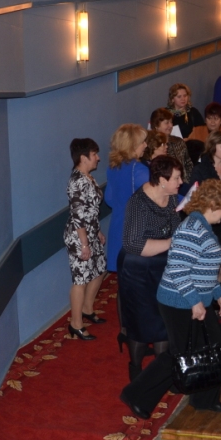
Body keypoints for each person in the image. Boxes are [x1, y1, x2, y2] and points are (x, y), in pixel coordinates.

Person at [119, 180, 221, 418]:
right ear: (211, 206)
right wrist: (195, 302)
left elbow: (204, 269)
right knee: (178, 353)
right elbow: (179, 270)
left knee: (210, 345)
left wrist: (219, 294)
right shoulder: (192, 229)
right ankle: (135, 394)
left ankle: (204, 399)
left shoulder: (203, 226)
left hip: (195, 299)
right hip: (178, 301)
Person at [119, 156, 184, 379]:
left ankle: (161, 373)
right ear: (162, 180)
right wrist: (171, 243)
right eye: (177, 178)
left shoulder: (171, 197)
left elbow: (175, 226)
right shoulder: (138, 203)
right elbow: (133, 245)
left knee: (162, 322)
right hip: (138, 271)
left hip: (162, 267)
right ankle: (136, 369)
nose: (181, 182)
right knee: (142, 323)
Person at [64, 138, 108, 341]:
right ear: (83, 158)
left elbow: (91, 211)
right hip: (78, 236)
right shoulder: (77, 181)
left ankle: (87, 309)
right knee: (80, 279)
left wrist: (97, 232)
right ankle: (75, 323)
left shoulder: (88, 177)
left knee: (100, 269)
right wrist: (84, 243)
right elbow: (77, 216)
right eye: (94, 154)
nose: (98, 158)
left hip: (90, 232)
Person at [104, 124, 149, 272]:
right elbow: (157, 194)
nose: (146, 145)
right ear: (133, 145)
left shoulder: (113, 167)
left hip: (118, 227)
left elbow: (109, 199)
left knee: (124, 278)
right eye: (143, 142)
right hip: (136, 230)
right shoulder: (138, 169)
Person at [150, 108, 193, 175]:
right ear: (156, 125)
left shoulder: (179, 142)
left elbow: (189, 164)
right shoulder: (151, 145)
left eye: (171, 122)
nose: (170, 125)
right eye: (167, 123)